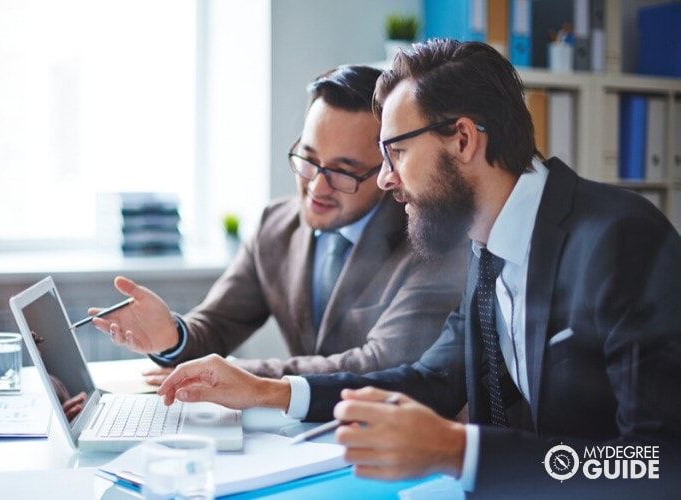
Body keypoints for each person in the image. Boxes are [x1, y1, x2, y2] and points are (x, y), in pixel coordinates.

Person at [151, 39, 681, 497]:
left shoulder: (619, 239)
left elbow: (658, 463)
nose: (384, 180)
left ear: (464, 140)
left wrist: (459, 450)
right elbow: (431, 380)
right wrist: (269, 391)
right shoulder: (488, 246)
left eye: (394, 154)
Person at [90, 64, 468, 380]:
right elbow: (216, 324)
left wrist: (238, 376)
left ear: (388, 170)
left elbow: (380, 364)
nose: (317, 186)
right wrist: (173, 337)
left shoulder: (430, 241)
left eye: (344, 171)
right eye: (308, 159)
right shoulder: (275, 225)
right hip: (296, 438)